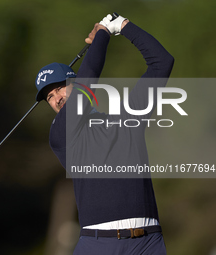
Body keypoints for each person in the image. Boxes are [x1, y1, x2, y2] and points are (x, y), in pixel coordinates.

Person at [34, 13, 174, 255]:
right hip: (98, 244)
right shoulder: (61, 135)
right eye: (49, 97)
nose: (56, 99)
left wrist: (122, 26)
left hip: (148, 243)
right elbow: (89, 77)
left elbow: (162, 62)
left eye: (59, 88)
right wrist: (102, 33)